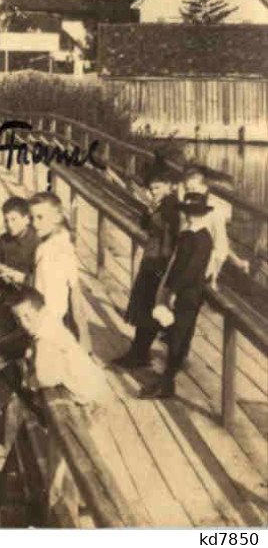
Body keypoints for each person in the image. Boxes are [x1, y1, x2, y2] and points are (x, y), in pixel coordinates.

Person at [11, 193, 107, 406]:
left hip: (47, 319)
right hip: (45, 318)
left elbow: (63, 296)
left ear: (57, 217)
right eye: (33, 218)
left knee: (44, 373)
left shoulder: (55, 250)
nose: (35, 224)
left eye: (40, 218)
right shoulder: (56, 244)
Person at [139, 192, 214, 399]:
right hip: (177, 292)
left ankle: (167, 382)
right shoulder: (187, 234)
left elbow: (191, 270)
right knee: (173, 337)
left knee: (180, 338)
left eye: (194, 213)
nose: (190, 217)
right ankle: (166, 380)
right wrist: (167, 286)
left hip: (189, 295)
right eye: (188, 212)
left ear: (202, 214)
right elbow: (176, 264)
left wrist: (174, 291)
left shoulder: (203, 238)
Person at [110, 163, 180, 370]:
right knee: (145, 310)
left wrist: (165, 269)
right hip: (151, 261)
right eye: (151, 188)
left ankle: (140, 355)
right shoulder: (161, 205)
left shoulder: (171, 208)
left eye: (157, 187)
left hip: (159, 264)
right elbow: (145, 225)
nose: (153, 192)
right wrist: (150, 210)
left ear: (169, 186)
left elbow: (172, 240)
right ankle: (139, 352)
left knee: (149, 311)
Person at [0, 197, 37, 367]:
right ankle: (15, 379)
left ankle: (24, 380)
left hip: (32, 304)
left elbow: (41, 280)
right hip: (9, 299)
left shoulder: (37, 243)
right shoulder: (4, 240)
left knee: (5, 346)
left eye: (14, 219)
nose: (9, 224)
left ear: (27, 219)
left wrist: (18, 277)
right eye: (6, 220)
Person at [180, 164, 249, 285]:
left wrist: (212, 274)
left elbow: (220, 248)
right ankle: (240, 264)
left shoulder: (214, 208)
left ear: (205, 188)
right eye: (188, 190)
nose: (190, 194)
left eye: (194, 189)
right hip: (192, 260)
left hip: (204, 266)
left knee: (217, 242)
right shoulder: (190, 205)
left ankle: (237, 266)